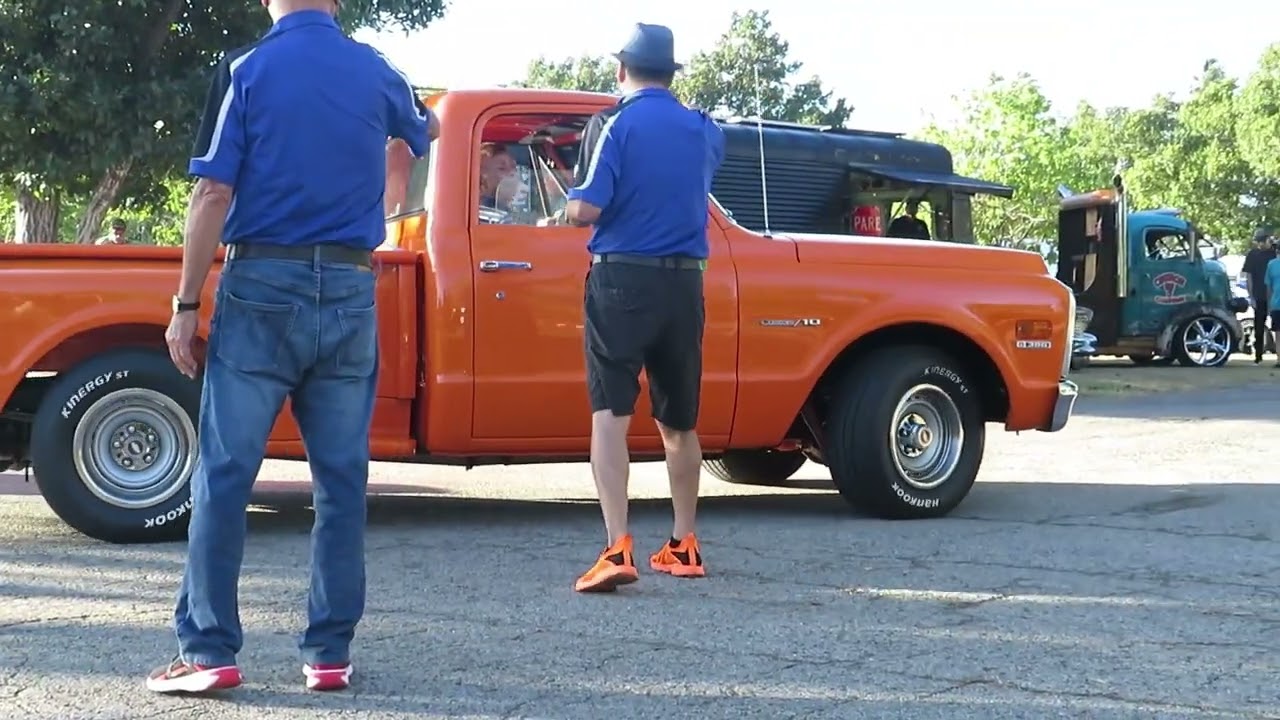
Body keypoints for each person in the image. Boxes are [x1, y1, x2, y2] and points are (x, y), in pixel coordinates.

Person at [150, 0, 438, 695]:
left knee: (225, 474)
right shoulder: (375, 70)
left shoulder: (248, 67)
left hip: (261, 286)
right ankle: (328, 654)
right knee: (340, 481)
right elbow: (425, 127)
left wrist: (186, 304)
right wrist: (390, 181)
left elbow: (214, 189)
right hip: (347, 285)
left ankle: (209, 652)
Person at [565, 22, 725, 593]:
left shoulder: (614, 123)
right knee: (678, 419)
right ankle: (684, 545)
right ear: (670, 73)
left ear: (621, 69)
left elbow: (586, 209)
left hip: (621, 281)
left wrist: (567, 201)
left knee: (610, 413)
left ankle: (616, 549)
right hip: (685, 284)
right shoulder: (703, 129)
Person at [1242, 229, 1273, 363]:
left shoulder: (1274, 254)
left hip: (1274, 294)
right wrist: (1251, 296)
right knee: (1259, 326)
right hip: (1259, 295)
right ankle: (1258, 355)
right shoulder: (1252, 255)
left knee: (1275, 325)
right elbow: (1248, 276)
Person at [1265, 239, 1280, 369]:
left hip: (1276, 303)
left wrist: (1269, 305)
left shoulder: (1271, 264)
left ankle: (1279, 358)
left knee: (1278, 333)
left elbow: (1268, 287)